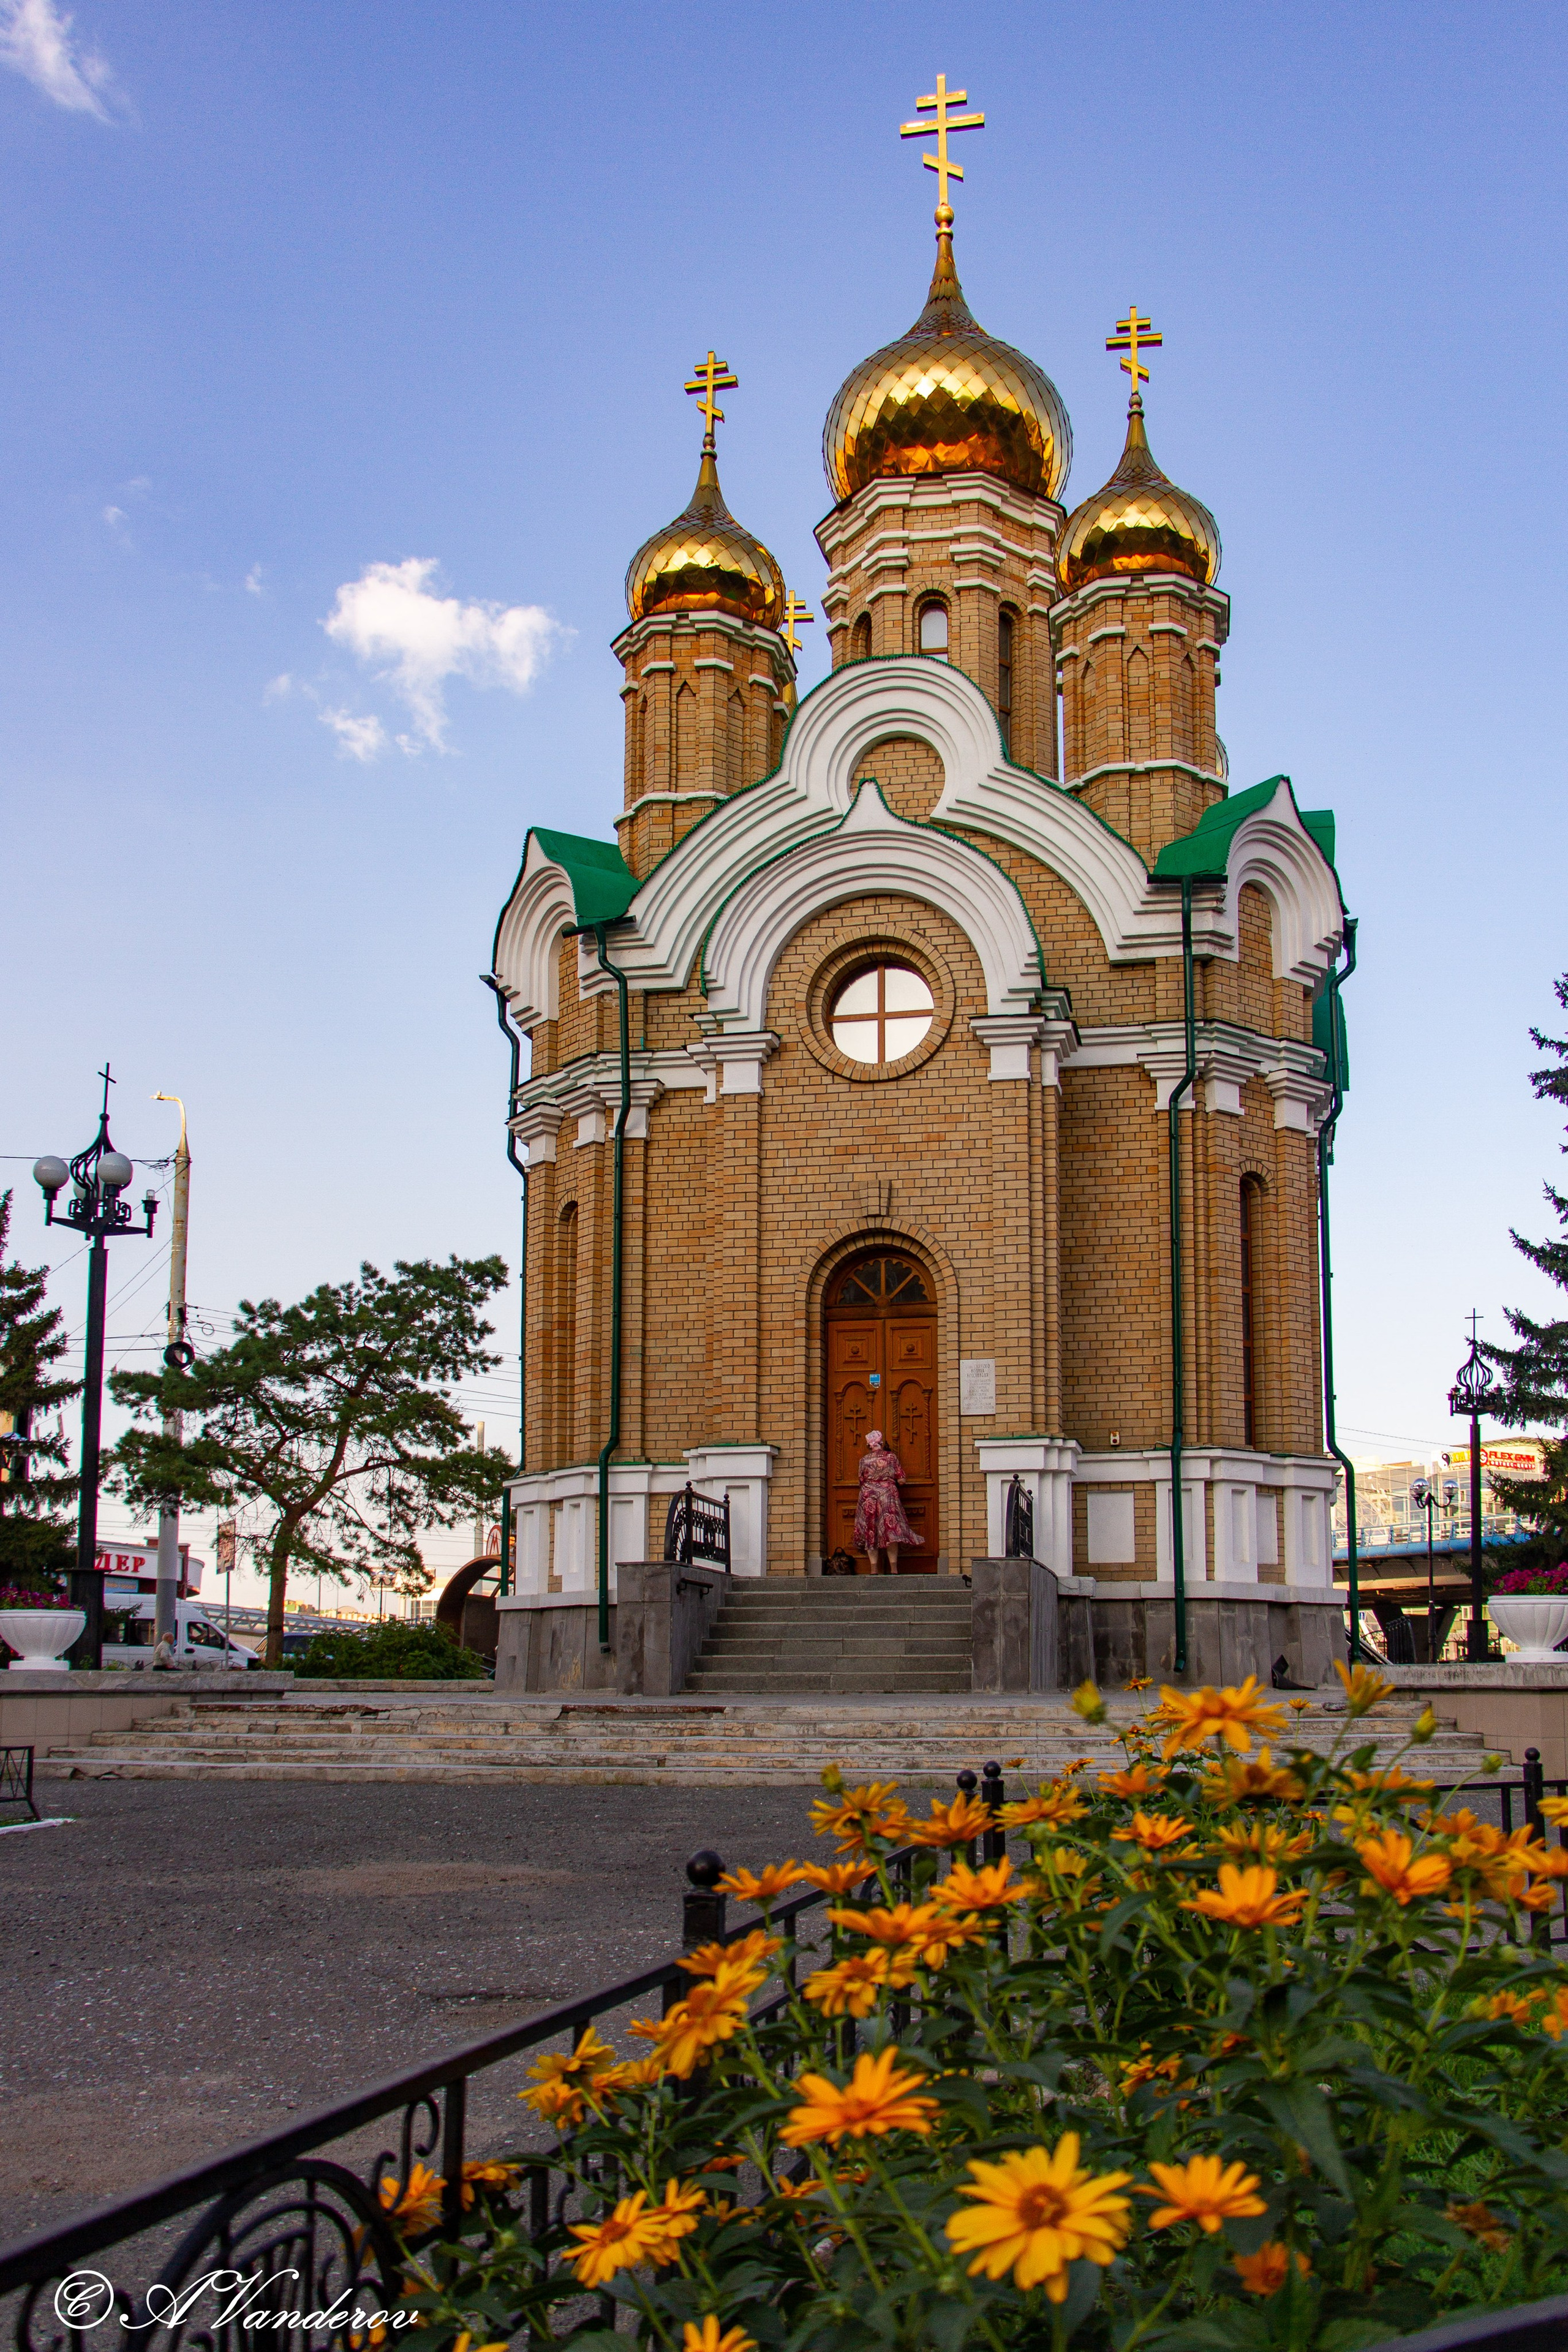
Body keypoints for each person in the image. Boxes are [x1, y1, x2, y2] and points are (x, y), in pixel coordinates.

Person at [853, 1428, 916, 1575]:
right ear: (881, 1443)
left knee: (870, 1532)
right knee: (891, 1531)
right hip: (887, 1497)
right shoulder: (891, 1457)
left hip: (869, 1497)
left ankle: (874, 1570)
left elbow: (861, 1481)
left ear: (869, 1445)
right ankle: (894, 1569)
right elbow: (902, 1480)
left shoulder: (864, 1460)